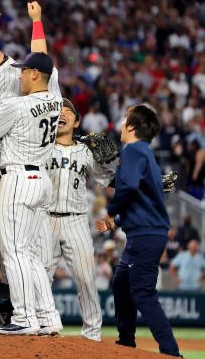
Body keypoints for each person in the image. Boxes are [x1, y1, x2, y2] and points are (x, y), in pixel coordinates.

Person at [0, 1, 62, 335]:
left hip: (17, 180)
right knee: (30, 254)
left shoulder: (16, 106)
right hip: (42, 181)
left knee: (15, 253)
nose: (18, 75)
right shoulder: (56, 99)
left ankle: (24, 318)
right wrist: (37, 23)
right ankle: (48, 316)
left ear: (34, 75)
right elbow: (45, 60)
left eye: (23, 71)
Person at [95, 104, 181, 357]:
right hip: (144, 232)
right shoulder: (144, 152)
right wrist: (117, 220)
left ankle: (171, 352)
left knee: (142, 293)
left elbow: (130, 188)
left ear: (132, 127)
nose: (121, 124)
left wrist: (111, 212)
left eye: (124, 120)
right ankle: (126, 342)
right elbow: (142, 198)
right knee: (121, 284)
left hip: (146, 235)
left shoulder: (132, 150)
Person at [40, 97, 115, 341]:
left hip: (76, 220)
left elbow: (109, 179)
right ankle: (43, 324)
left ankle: (92, 333)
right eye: (58, 111)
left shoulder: (86, 151)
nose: (62, 114)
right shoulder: (41, 145)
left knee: (85, 277)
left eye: (67, 112)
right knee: (41, 276)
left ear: (77, 121)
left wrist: (111, 161)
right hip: (44, 218)